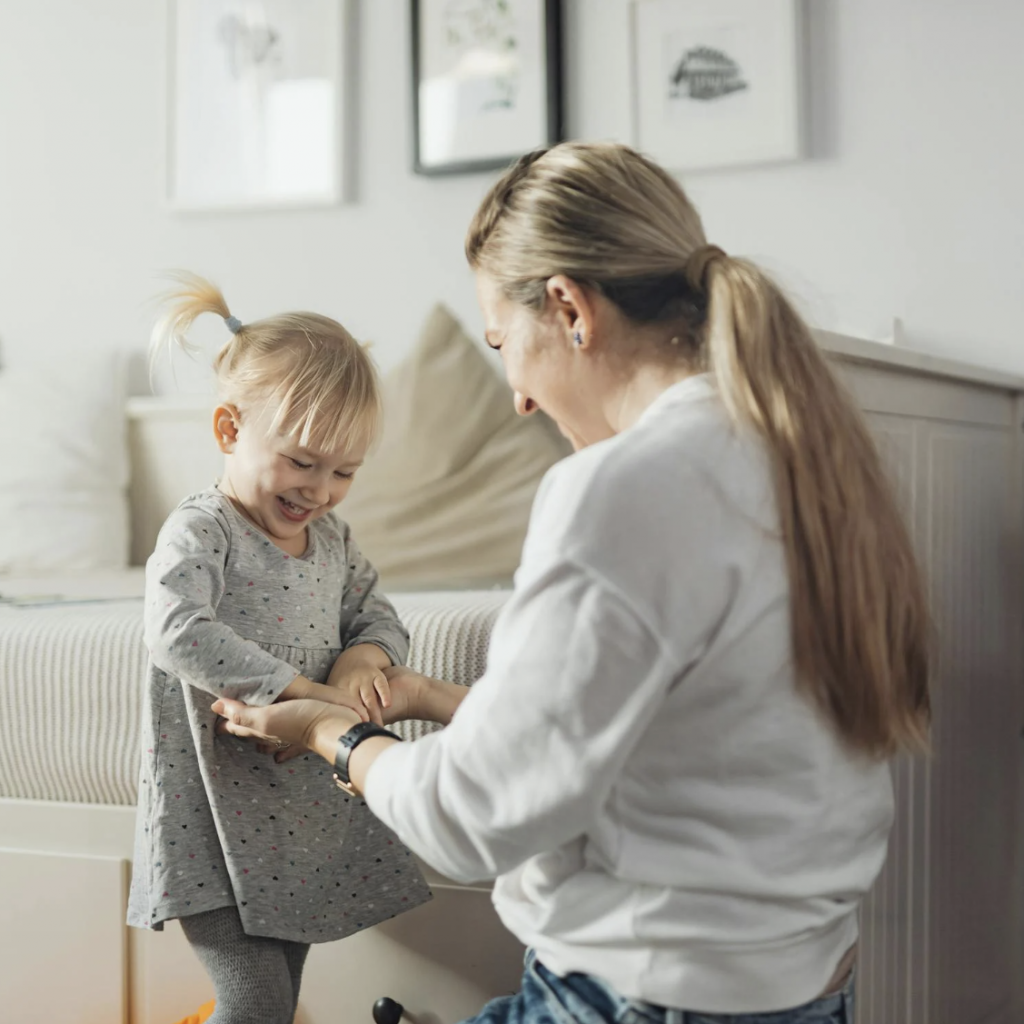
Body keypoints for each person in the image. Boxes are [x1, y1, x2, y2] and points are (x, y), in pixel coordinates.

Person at [214, 142, 931, 1024]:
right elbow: (682, 740)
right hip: (802, 990)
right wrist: (445, 701)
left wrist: (332, 734)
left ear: (568, 308)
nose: (516, 396)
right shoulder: (801, 455)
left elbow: (469, 820)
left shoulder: (625, 489)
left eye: (502, 343)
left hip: (641, 997)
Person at [126, 275, 431, 1024]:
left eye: (345, 471)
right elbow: (175, 630)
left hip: (294, 821)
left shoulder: (331, 539)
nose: (322, 489)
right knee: (255, 1001)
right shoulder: (204, 531)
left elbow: (376, 612)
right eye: (302, 462)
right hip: (215, 822)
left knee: (276, 999)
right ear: (230, 430)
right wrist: (302, 688)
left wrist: (365, 662)